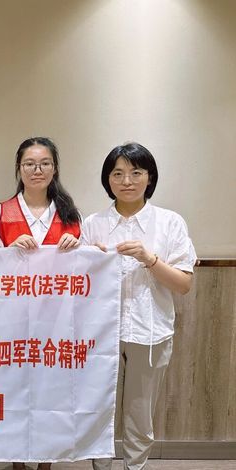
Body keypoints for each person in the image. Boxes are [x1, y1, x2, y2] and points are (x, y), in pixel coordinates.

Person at [83, 143, 196, 470]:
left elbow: (184, 285)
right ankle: (101, 467)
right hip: (100, 335)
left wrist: (150, 259)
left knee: (140, 413)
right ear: (108, 180)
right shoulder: (92, 223)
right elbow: (78, 285)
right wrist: (90, 261)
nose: (127, 181)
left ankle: (135, 467)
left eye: (136, 172)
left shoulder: (170, 222)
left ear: (150, 178)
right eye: (117, 173)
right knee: (99, 412)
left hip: (150, 334)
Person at [0, 137, 82, 470]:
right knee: (14, 391)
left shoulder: (71, 214)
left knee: (51, 394)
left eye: (44, 163)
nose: (37, 170)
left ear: (55, 169)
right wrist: (7, 251)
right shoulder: (0, 212)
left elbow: (85, 270)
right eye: (29, 163)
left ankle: (45, 462)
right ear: (19, 168)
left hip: (56, 322)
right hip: (12, 321)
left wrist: (77, 247)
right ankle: (17, 462)